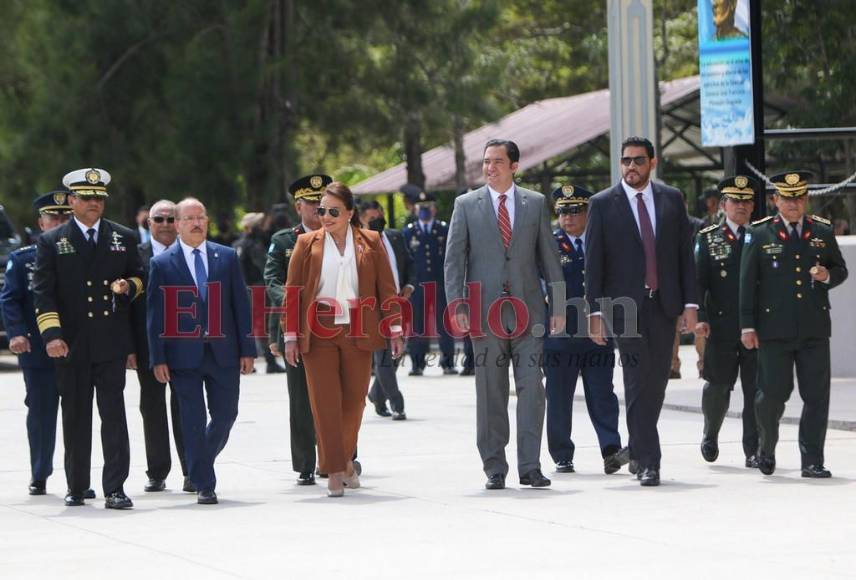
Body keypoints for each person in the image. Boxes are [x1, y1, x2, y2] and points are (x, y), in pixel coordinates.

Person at [445, 139, 563, 490]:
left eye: (497, 161)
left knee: (532, 390)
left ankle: (530, 466)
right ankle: (494, 466)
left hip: (530, 313)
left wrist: (558, 306)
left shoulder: (535, 203)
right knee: (490, 391)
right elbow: (454, 260)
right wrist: (457, 305)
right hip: (485, 315)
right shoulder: (466, 205)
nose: (490, 168)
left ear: (514, 166)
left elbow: (549, 259)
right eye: (486, 162)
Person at [586, 137, 698, 487]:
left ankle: (636, 447)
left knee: (657, 382)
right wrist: (594, 312)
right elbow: (594, 263)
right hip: (625, 311)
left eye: (637, 160)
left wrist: (691, 305)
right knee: (636, 381)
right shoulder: (602, 204)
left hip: (665, 306)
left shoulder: (671, 199)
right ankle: (649, 462)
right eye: (625, 161)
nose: (630, 167)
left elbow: (684, 257)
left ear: (653, 162)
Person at [282, 182, 403, 497]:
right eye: (321, 210)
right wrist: (291, 336)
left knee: (354, 402)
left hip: (358, 329)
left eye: (334, 211)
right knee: (324, 403)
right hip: (318, 331)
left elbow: (386, 289)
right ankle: (335, 471)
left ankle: (344, 461)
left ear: (350, 213)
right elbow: (293, 293)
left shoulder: (372, 242)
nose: (325, 216)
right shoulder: (306, 243)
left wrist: (395, 327)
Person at [33, 168, 144, 508]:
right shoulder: (53, 241)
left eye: (99, 198)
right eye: (87, 198)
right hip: (73, 344)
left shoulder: (121, 237)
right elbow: (43, 294)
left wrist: (128, 287)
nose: (94, 203)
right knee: (76, 417)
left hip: (110, 342)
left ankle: (115, 487)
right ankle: (77, 485)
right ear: (72, 201)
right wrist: (52, 335)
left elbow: (140, 278)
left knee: (114, 417)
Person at [147, 197, 256, 504]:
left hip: (224, 352)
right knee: (191, 420)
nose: (196, 223)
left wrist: (248, 349)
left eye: (201, 218)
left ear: (207, 222)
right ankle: (205, 485)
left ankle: (197, 466)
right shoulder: (162, 264)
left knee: (225, 415)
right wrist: (158, 358)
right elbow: (155, 317)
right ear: (178, 225)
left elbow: (240, 306)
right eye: (189, 218)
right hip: (183, 355)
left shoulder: (227, 257)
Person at [740, 171, 847, 477]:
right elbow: (747, 284)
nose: (793, 204)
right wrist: (747, 326)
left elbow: (840, 269)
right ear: (775, 200)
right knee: (771, 395)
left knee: (816, 397)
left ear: (806, 199)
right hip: (773, 330)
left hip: (813, 328)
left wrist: (827, 276)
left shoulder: (821, 231)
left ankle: (812, 460)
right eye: (787, 198)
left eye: (798, 197)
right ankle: (766, 446)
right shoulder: (760, 233)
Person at [543, 185, 628, 475]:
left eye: (575, 210)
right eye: (563, 211)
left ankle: (610, 450)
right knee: (559, 397)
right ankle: (562, 454)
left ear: (587, 212)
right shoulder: (549, 245)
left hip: (597, 332)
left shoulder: (600, 242)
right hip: (560, 335)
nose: (568, 217)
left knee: (603, 394)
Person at [1, 190, 80, 496]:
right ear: (41, 223)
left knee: (77, 413)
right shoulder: (23, 260)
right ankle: (40, 472)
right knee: (42, 412)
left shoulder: (81, 255)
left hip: (75, 348)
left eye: (64, 217)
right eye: (54, 218)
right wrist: (16, 333)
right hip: (37, 350)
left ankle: (78, 476)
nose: (59, 222)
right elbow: (9, 299)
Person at [265, 174, 329, 486]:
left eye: (323, 202)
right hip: (297, 326)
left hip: (336, 325)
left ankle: (342, 455)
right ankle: (305, 462)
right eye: (313, 203)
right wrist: (294, 302)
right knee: (301, 398)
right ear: (298, 205)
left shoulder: (341, 235)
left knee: (340, 394)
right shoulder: (283, 241)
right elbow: (272, 280)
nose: (319, 208)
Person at [694, 175, 760, 468]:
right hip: (720, 326)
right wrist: (701, 318)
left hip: (757, 327)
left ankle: (753, 449)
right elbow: (699, 282)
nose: (741, 206)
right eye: (735, 201)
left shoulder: (763, 235)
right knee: (718, 387)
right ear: (723, 204)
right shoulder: (709, 237)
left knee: (756, 390)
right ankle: (711, 433)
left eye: (746, 201)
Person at [132, 199, 190, 493]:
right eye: (159, 219)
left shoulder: (191, 252)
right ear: (149, 223)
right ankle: (157, 471)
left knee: (187, 407)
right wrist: (128, 347)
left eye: (171, 219)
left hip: (185, 344)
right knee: (152, 407)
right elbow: (126, 306)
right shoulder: (134, 255)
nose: (166, 224)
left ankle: (192, 469)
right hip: (147, 346)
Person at [359, 199, 415, 420]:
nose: (376, 221)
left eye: (379, 216)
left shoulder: (395, 236)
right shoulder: (357, 241)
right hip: (373, 307)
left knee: (396, 353)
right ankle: (397, 403)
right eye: (371, 219)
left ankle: (376, 394)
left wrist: (409, 286)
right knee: (384, 354)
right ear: (362, 218)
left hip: (400, 303)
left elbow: (409, 264)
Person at [403, 191, 458, 375]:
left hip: (440, 284)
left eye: (428, 208)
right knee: (418, 326)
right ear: (415, 209)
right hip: (418, 287)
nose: (424, 211)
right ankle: (417, 364)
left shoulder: (443, 229)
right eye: (421, 208)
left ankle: (448, 362)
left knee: (444, 325)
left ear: (434, 209)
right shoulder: (409, 231)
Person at [234, 211, 284, 374]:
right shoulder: (253, 245)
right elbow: (264, 267)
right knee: (261, 326)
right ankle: (270, 361)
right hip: (257, 289)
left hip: (240, 289)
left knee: (246, 326)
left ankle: (245, 361)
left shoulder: (237, 244)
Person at [671, 193, 707, 379]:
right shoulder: (664, 225)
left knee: (699, 323)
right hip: (673, 281)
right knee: (672, 324)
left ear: (685, 204)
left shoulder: (698, 225)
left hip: (695, 279)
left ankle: (703, 364)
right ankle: (672, 366)